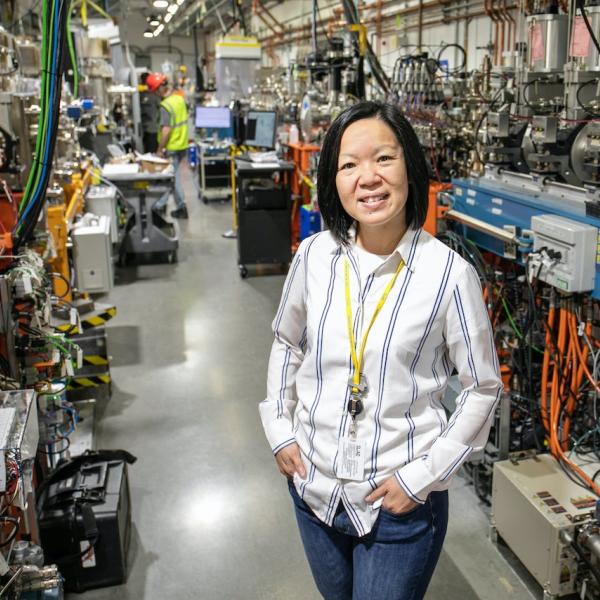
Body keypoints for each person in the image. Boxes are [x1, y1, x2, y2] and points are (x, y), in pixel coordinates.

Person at [259, 101, 502, 600]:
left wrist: (423, 478)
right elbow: (287, 340)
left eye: (383, 159)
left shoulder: (448, 275)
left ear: (410, 168)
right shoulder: (314, 256)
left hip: (398, 504)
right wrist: (279, 428)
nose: (367, 177)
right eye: (349, 164)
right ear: (334, 180)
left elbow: (482, 388)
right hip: (315, 492)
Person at [146, 72, 189, 219]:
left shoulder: (165, 106)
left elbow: (166, 130)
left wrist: (160, 149)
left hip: (172, 146)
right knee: (173, 176)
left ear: (158, 89)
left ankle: (164, 206)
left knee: (171, 178)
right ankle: (170, 205)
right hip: (182, 144)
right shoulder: (179, 99)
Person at [139, 72, 159, 154]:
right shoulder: (140, 94)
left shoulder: (153, 94)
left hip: (151, 129)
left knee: (150, 152)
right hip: (145, 129)